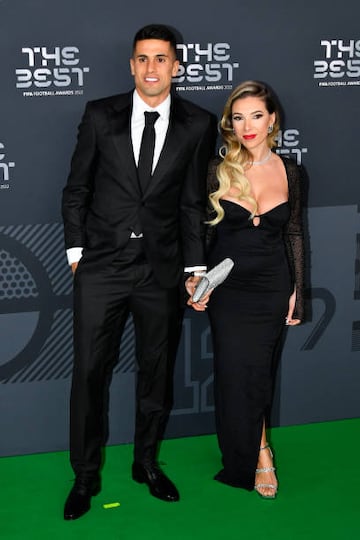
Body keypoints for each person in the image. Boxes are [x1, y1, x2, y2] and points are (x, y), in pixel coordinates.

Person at [61, 23, 217, 520]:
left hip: (161, 271)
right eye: (143, 59)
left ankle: (146, 462)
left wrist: (195, 267)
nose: (152, 68)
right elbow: (76, 190)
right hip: (101, 267)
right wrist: (75, 255)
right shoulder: (99, 115)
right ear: (132, 65)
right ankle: (85, 476)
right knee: (88, 373)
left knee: (157, 373)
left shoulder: (197, 123)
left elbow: (193, 203)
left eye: (161, 59)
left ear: (176, 66)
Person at [189, 80, 305, 499]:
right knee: (236, 374)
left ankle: (261, 452)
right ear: (230, 124)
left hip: (273, 285)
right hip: (231, 289)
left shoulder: (291, 171)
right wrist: (196, 279)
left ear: (272, 119)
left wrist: (298, 290)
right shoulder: (216, 170)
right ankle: (253, 452)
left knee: (260, 373)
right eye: (238, 118)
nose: (247, 126)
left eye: (256, 115)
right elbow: (199, 233)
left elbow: (293, 234)